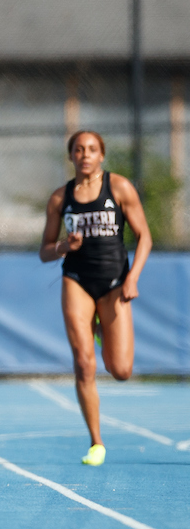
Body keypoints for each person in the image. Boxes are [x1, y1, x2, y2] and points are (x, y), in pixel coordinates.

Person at [40, 130, 151, 466]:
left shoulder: (118, 187)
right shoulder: (61, 198)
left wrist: (133, 278)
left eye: (91, 149)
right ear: (71, 156)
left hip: (116, 282)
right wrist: (62, 246)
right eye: (78, 149)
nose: (85, 155)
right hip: (76, 281)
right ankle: (96, 442)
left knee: (120, 370)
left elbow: (145, 236)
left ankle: (102, 330)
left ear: (101, 155)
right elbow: (45, 251)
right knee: (84, 363)